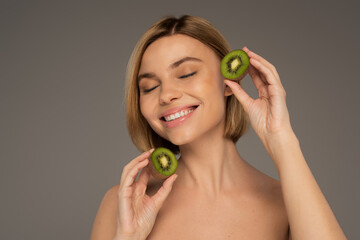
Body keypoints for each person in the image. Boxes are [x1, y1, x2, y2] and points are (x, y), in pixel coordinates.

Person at [90, 15, 347, 240]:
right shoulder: (124, 204)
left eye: (187, 73)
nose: (166, 95)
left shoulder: (288, 203)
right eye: (149, 87)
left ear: (228, 80)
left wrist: (282, 139)